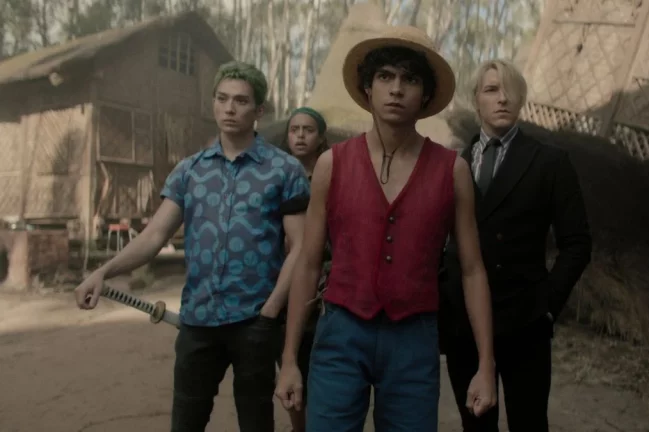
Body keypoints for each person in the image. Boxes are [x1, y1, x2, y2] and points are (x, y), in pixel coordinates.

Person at [275, 25, 497, 432]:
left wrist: (486, 364)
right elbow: (308, 262)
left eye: (410, 79)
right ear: (368, 88)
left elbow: (472, 269)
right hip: (341, 333)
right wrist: (290, 359)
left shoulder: (453, 171)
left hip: (414, 338)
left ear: (425, 94)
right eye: (385, 76)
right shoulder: (332, 164)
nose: (396, 89)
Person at [73, 61, 310, 432]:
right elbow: (154, 236)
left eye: (241, 101)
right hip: (197, 322)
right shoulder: (189, 171)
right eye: (222, 99)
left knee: (256, 422)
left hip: (255, 321)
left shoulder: (284, 170)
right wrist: (103, 271)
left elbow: (301, 247)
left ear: (259, 110)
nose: (230, 108)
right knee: (186, 422)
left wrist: (270, 311)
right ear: (212, 103)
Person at [439, 58, 592, 432]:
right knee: (475, 425)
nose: (503, 98)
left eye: (511, 90)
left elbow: (577, 243)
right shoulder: (453, 165)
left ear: (522, 99)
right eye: (491, 90)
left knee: (529, 424)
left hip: (525, 322)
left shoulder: (550, 162)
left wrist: (547, 307)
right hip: (465, 324)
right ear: (476, 100)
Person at [277, 106, 332, 432]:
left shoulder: (332, 175)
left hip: (323, 283)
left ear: (321, 137)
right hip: (283, 283)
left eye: (308, 130)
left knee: (321, 373)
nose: (300, 136)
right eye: (294, 129)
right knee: (289, 367)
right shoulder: (277, 175)